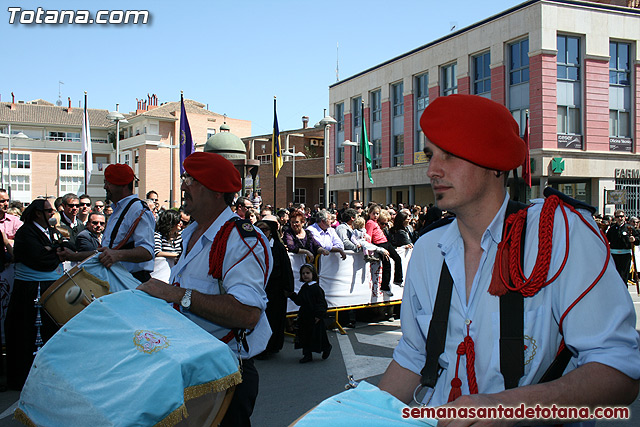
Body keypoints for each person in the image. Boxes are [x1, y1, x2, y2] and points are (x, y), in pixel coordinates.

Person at [378, 94, 640, 421]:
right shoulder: (429, 250)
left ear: (495, 162)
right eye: (431, 155)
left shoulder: (557, 233)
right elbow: (414, 357)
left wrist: (510, 407)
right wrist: (361, 415)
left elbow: (619, 369)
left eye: (450, 154)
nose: (432, 170)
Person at [137, 152, 272, 427]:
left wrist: (177, 295)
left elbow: (247, 314)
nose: (184, 186)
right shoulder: (191, 232)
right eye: (186, 178)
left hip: (225, 374)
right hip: (188, 365)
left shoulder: (241, 239)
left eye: (193, 180)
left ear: (216, 193)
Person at [5, 199, 65, 390]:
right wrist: (56, 252)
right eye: (49, 211)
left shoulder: (50, 231)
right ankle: (24, 378)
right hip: (31, 290)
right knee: (27, 333)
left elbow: (68, 245)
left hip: (46, 285)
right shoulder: (26, 232)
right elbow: (40, 260)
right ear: (38, 213)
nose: (52, 214)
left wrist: (53, 249)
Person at [255, 216, 294, 357]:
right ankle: (260, 347)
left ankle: (272, 346)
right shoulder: (254, 245)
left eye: (264, 229)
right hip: (259, 288)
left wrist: (288, 288)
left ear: (270, 231)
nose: (261, 232)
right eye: (258, 229)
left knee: (274, 319)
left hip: (275, 290)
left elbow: (286, 268)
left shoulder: (277, 247)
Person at [288, 263, 331, 364]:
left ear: (313, 274)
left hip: (315, 317)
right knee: (305, 336)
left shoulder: (316, 288)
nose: (305, 275)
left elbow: (321, 303)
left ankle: (326, 348)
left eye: (308, 273)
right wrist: (292, 295)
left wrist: (319, 315)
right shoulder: (304, 287)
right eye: (303, 273)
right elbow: (300, 301)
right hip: (304, 316)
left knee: (318, 336)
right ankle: (307, 355)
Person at [366, 205, 403, 295]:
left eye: (377, 214)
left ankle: (398, 279)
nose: (375, 215)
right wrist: (370, 248)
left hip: (385, 242)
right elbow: (368, 236)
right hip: (380, 244)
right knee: (387, 265)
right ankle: (385, 287)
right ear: (369, 213)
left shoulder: (375, 222)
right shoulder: (370, 223)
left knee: (397, 258)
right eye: (373, 213)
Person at [607, 209, 639, 284]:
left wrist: (634, 239)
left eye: (621, 216)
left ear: (624, 217)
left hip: (625, 255)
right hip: (614, 254)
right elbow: (606, 240)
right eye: (617, 217)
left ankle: (624, 292)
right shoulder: (612, 229)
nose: (619, 219)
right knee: (615, 275)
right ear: (615, 218)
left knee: (624, 276)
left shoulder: (629, 228)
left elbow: (638, 239)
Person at [152, 209, 183, 282]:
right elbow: (157, 252)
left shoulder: (181, 237)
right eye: (177, 221)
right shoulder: (158, 235)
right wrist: (177, 255)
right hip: (162, 274)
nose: (180, 223)